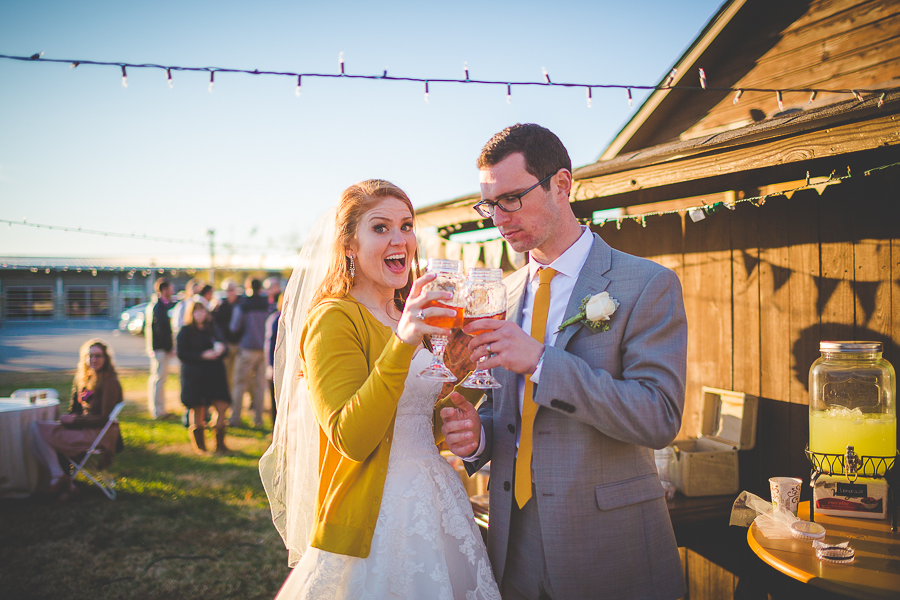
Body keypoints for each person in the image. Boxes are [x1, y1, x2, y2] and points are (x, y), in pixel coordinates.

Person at [441, 124, 688, 600]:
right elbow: (506, 415)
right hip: (513, 546)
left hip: (610, 547)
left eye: (511, 198)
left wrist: (540, 361)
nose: (498, 217)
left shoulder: (646, 284)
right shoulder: (500, 296)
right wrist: (479, 436)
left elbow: (659, 416)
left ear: (561, 184)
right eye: (489, 204)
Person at [259, 179, 500, 599]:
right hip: (375, 521)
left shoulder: (405, 315)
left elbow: (412, 421)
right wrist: (403, 341)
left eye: (406, 226)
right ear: (348, 245)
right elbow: (352, 438)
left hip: (436, 502)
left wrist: (463, 402)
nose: (400, 239)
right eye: (380, 227)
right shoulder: (334, 318)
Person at [31, 339, 123, 501]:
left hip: (100, 433)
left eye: (98, 356)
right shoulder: (85, 378)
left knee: (39, 431)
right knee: (38, 430)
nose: (94, 359)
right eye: (90, 356)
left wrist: (74, 421)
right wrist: (70, 417)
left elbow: (103, 419)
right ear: (85, 358)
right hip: (85, 427)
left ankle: (60, 478)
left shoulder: (109, 381)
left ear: (106, 358)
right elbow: (75, 409)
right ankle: (65, 481)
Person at [176, 301, 230, 453]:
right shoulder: (185, 331)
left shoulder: (213, 328)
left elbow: (225, 347)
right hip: (196, 375)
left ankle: (220, 445)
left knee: (222, 405)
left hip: (215, 373)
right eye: (196, 311)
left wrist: (222, 350)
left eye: (202, 311)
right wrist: (202, 355)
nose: (200, 314)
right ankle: (200, 446)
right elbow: (182, 353)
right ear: (191, 314)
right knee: (198, 409)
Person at [229, 278, 271, 428]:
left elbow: (234, 327)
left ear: (247, 287)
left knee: (239, 384)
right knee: (260, 386)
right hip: (263, 349)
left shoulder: (243, 305)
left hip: (247, 349)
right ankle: (258, 419)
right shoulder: (267, 305)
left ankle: (235, 418)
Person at [145, 278, 175, 419]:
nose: (173, 291)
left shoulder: (158, 306)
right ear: (164, 290)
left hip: (158, 348)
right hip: (160, 349)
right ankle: (158, 410)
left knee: (158, 379)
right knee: (159, 380)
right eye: (171, 288)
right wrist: (169, 348)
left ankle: (159, 409)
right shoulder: (159, 307)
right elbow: (161, 330)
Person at [212, 278, 243, 387]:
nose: (230, 292)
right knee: (226, 375)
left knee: (238, 376)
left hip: (239, 345)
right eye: (227, 290)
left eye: (232, 289)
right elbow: (215, 324)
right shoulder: (220, 306)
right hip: (225, 345)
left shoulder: (241, 304)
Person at [263, 293, 282, 426]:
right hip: (278, 365)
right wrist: (270, 366)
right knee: (276, 399)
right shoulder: (276, 319)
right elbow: (270, 344)